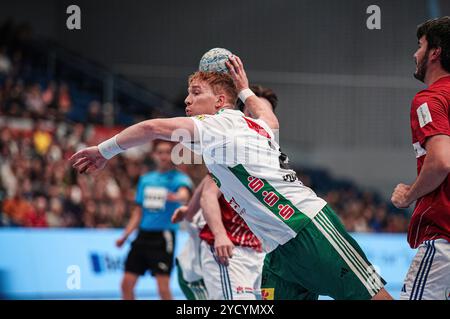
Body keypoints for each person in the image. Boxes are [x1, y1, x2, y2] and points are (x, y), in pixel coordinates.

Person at [70, 55, 391, 300]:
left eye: (195, 93)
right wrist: (245, 88)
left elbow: (151, 127)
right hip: (278, 251)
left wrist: (104, 151)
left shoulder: (219, 126)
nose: (187, 101)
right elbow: (268, 116)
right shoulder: (257, 126)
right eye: (188, 94)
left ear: (220, 102)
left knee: (373, 296)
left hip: (308, 227)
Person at [173, 84, 279, 300]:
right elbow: (209, 192)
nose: (258, 118)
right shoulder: (233, 146)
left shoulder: (266, 153)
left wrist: (189, 210)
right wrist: (219, 234)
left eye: (262, 113)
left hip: (254, 251)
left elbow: (207, 183)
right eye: (252, 113)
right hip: (222, 250)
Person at [391, 16, 450, 300]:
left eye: (420, 45)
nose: (415, 54)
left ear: (435, 52)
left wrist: (408, 195)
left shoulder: (430, 99)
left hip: (444, 236)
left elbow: (440, 162)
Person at [115, 140, 192, 300]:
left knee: (163, 289)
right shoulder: (146, 180)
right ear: (154, 155)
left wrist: (175, 197)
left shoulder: (178, 178)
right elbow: (138, 212)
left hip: (163, 238)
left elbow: (184, 194)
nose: (163, 156)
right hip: (142, 237)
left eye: (167, 152)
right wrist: (125, 236)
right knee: (126, 285)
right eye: (160, 152)